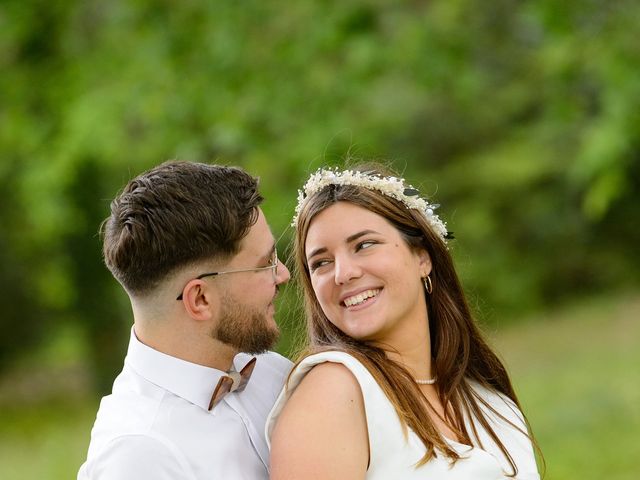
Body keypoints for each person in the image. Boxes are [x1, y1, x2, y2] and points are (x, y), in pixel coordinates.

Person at [267, 164, 542, 479]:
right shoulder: (335, 391)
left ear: (422, 258)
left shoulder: (487, 399)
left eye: (364, 245)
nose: (343, 273)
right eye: (321, 262)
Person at [78, 161, 292, 480]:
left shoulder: (272, 372)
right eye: (266, 264)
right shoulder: (138, 457)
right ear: (200, 299)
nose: (284, 275)